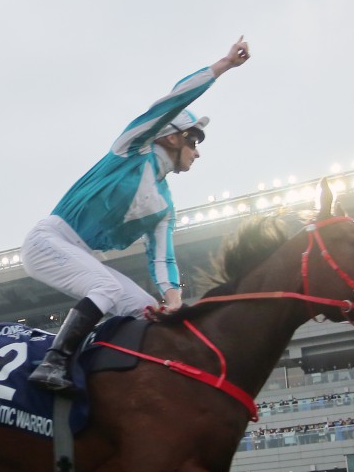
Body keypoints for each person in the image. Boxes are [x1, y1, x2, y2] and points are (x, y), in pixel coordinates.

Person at [22, 36, 252, 392]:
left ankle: (106, 377)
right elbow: (174, 101)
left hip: (83, 255)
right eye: (193, 140)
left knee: (144, 307)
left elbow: (163, 260)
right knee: (107, 287)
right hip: (49, 241)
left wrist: (173, 302)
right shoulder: (131, 148)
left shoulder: (165, 206)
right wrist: (224, 65)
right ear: (172, 137)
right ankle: (53, 362)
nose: (197, 152)